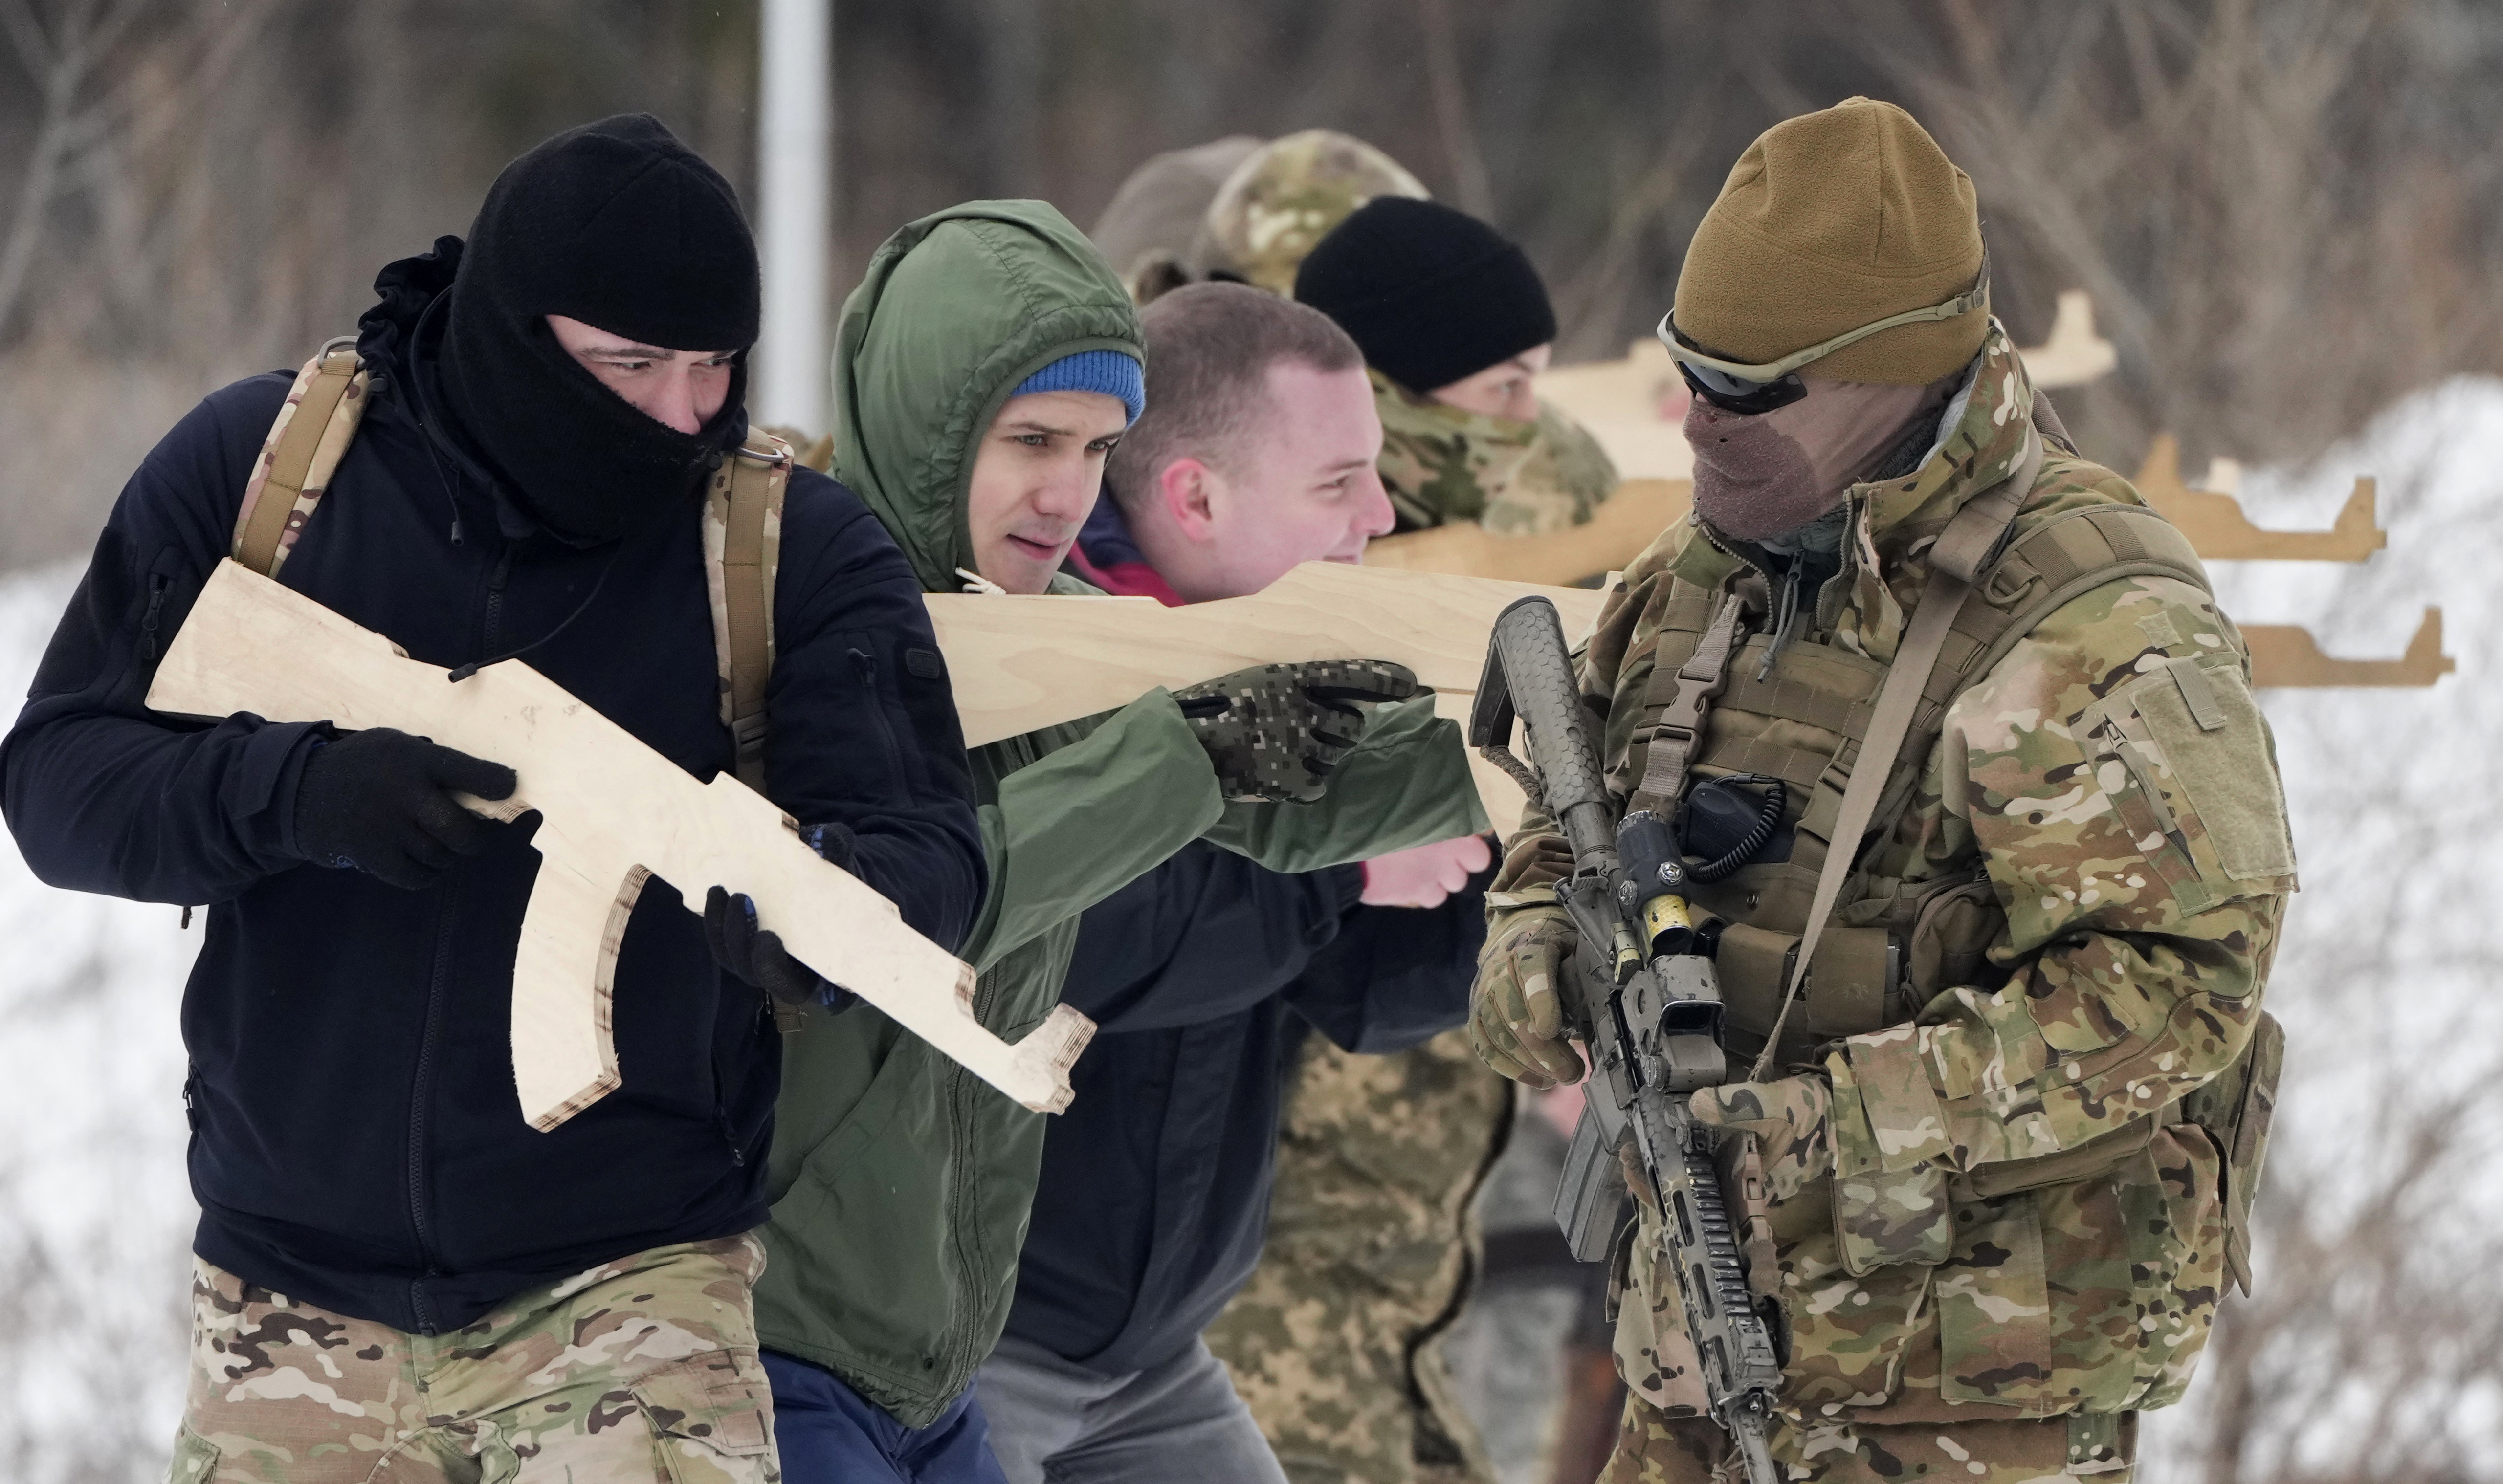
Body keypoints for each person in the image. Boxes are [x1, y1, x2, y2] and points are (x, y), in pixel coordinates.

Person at [1, 115, 988, 1482]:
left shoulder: (784, 547)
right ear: (513, 331)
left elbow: (931, 847)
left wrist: (822, 904)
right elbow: (58, 781)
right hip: (282, 1307)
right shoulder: (269, 474)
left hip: (629, 1290)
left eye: (715, 368)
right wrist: (300, 790)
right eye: (631, 364)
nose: (683, 413)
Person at [1468, 98, 2293, 1483]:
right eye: (1691, 375)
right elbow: (1577, 814)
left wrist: (1833, 1123)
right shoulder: (1700, 576)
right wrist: (1534, 940)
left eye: (1751, 389)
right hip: (1688, 1359)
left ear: (1890, 377)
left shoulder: (2086, 621)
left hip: (1958, 1400)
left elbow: (2179, 985)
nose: (1698, 421)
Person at [754, 205, 1486, 1484]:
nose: (1068, 487)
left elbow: (1314, 843)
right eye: (1032, 439)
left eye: (1094, 447)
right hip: (821, 1340)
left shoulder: (1087, 630)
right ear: (935, 426)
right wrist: (1254, 808)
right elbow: (963, 910)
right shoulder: (808, 631)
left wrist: (1562, 738)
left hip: (1036, 1350)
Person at [975, 281, 1499, 1484]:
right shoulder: (1039, 671)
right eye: (1337, 483)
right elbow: (1093, 943)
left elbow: (1365, 995)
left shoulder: (1291, 671)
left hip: (1157, 1354)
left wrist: (1518, 872)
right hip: (984, 1344)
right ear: (1194, 496)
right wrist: (1351, 865)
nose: (1379, 511)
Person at [1293, 195, 1618, 537]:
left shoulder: (1563, 473)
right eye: (1507, 385)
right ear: (1383, 395)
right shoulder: (1289, 543)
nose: (1528, 414)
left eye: (1531, 381)